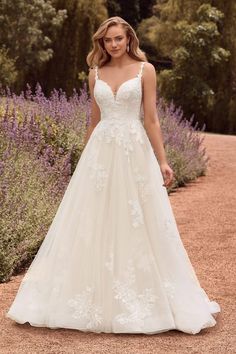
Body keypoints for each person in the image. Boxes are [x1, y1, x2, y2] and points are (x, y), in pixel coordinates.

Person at [6, 16, 220, 335]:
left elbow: (152, 119)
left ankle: (149, 297)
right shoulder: (95, 74)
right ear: (102, 43)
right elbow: (94, 121)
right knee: (94, 221)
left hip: (135, 152)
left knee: (138, 220)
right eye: (108, 40)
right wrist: (84, 160)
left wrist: (163, 161)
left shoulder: (146, 71)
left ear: (129, 38)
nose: (114, 44)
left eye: (118, 38)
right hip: (101, 154)